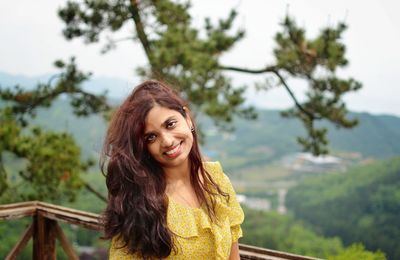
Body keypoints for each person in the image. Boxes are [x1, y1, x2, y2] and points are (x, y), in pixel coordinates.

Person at [101, 80, 244, 259]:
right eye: (151, 137)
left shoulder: (216, 179)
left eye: (170, 124)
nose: (167, 141)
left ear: (187, 118)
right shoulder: (141, 202)